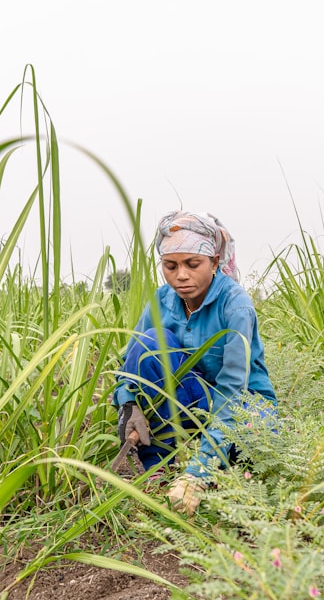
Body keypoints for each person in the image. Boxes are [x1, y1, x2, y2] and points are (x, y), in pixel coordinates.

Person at [113, 211, 276, 516]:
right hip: (191, 401)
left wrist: (199, 473)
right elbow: (130, 362)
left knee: (250, 446)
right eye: (170, 266)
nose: (181, 276)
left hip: (241, 411)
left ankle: (200, 472)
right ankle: (161, 470)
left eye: (192, 264)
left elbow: (233, 393)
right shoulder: (160, 301)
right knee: (150, 344)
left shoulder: (235, 305)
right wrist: (128, 403)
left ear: (214, 262)